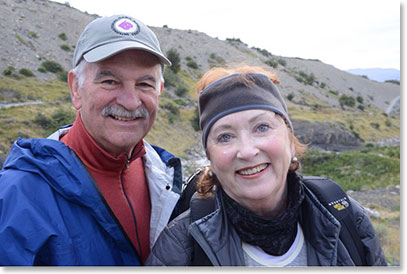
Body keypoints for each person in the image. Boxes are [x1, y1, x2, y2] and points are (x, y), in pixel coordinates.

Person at [145, 65, 387, 266]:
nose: (248, 151)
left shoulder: (346, 218)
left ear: (291, 141)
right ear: (211, 159)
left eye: (261, 127)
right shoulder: (180, 247)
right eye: (225, 136)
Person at [0, 15, 183, 266]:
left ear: (159, 90)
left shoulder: (168, 181)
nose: (130, 101)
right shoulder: (19, 195)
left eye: (144, 84)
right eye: (110, 82)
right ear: (76, 88)